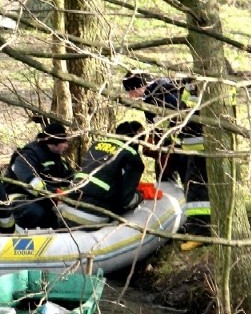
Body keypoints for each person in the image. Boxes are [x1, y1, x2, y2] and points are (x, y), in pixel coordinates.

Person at [123, 71, 210, 250]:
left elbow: (180, 120)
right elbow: (159, 127)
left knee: (195, 186)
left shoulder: (163, 93)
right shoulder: (151, 99)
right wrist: (157, 145)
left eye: (131, 92)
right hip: (177, 147)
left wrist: (166, 143)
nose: (130, 97)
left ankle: (200, 232)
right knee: (181, 183)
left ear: (139, 88)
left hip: (191, 145)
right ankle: (189, 223)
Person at [60, 121, 145, 229]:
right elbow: (127, 201)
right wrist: (140, 196)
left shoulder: (96, 145)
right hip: (93, 216)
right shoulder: (132, 157)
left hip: (68, 208)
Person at [4, 121, 74, 229]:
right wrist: (55, 193)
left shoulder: (56, 158)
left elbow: (69, 176)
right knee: (36, 213)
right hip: (18, 198)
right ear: (54, 141)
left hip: (40, 200)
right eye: (64, 142)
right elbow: (31, 182)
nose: (66, 145)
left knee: (54, 220)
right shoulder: (27, 156)